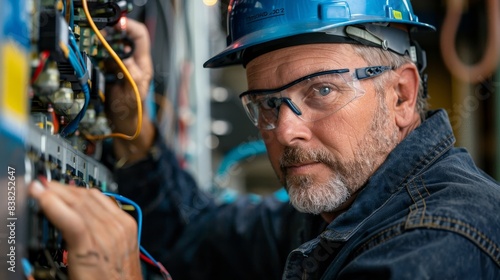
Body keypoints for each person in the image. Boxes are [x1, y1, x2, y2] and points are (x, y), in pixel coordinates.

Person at [29, 0, 500, 279]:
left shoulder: (433, 246)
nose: (286, 130)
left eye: (322, 91)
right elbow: (197, 237)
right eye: (268, 103)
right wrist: (135, 132)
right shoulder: (344, 211)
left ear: (401, 94)